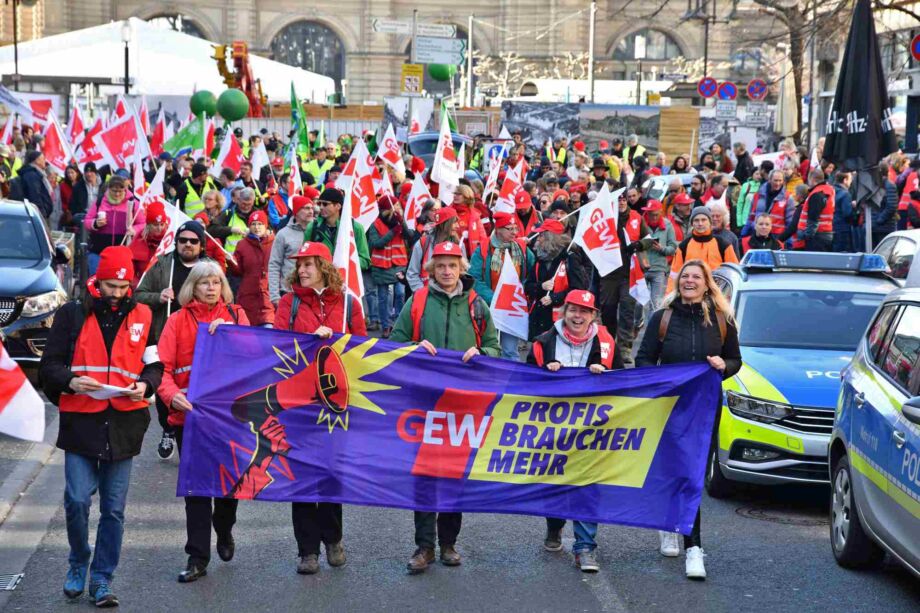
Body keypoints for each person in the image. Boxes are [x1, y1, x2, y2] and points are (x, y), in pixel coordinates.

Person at [39, 246, 163, 607]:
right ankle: (78, 561)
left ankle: (102, 579)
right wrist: (71, 382)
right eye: (110, 286)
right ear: (97, 283)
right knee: (77, 501)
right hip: (82, 422)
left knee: (113, 510)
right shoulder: (72, 315)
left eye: (123, 287)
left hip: (124, 424)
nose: (117, 294)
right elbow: (49, 366)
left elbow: (154, 363)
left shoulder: (143, 314)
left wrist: (147, 384)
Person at [390, 241, 501, 574]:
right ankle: (424, 546)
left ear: (462, 268)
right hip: (424, 403)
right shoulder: (418, 301)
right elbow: (392, 343)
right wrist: (413, 346)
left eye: (453, 265)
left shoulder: (477, 304)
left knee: (455, 476)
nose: (447, 271)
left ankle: (449, 543)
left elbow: (495, 347)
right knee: (425, 476)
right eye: (441, 266)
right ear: (431, 269)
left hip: (464, 405)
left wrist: (482, 355)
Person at [636, 259, 741, 581]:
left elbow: (736, 360)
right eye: (685, 277)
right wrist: (661, 381)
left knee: (693, 473)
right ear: (678, 282)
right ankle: (668, 525)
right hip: (668, 408)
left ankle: (694, 547)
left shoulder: (723, 321)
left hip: (704, 409)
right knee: (670, 470)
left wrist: (723, 364)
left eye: (696, 277)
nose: (689, 281)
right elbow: (643, 359)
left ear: (707, 283)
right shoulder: (662, 318)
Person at [273, 241, 365, 574]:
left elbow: (361, 349)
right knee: (300, 476)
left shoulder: (348, 304)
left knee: (330, 474)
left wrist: (337, 342)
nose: (302, 270)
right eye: (300, 265)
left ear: (324, 267)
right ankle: (307, 550)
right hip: (298, 402)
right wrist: (311, 338)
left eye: (309, 264)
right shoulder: (289, 302)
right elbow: (277, 346)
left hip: (335, 404)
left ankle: (333, 539)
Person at [157, 261, 250, 583]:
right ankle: (197, 556)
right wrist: (171, 396)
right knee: (197, 489)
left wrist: (229, 334)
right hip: (189, 418)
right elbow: (162, 369)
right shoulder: (176, 321)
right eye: (203, 283)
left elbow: (252, 359)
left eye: (216, 282)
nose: (210, 288)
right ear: (192, 287)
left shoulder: (237, 316)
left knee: (228, 486)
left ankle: (224, 528)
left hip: (228, 419)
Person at [528, 290, 623, 572]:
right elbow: (526, 384)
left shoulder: (607, 343)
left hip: (591, 430)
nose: (578, 316)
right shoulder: (543, 342)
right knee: (555, 484)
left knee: (587, 485)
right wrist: (545, 372)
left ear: (593, 315)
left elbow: (622, 384)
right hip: (553, 429)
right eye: (573, 310)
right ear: (563, 312)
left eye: (584, 311)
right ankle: (555, 525)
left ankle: (584, 546)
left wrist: (605, 376)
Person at [136, 221, 212, 461]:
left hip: (200, 339)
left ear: (201, 246)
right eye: (183, 240)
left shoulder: (210, 269)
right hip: (166, 334)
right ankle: (168, 428)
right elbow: (138, 294)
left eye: (193, 241)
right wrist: (158, 297)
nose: (187, 245)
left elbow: (224, 299)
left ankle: (196, 432)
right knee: (164, 385)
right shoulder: (162, 265)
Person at [469, 212, 535, 361]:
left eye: (515, 228)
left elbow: (533, 272)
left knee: (510, 351)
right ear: (498, 229)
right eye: (509, 229)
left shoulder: (522, 249)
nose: (514, 233)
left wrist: (521, 291)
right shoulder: (483, 249)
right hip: (488, 306)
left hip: (511, 308)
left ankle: (510, 382)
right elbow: (474, 278)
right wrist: (494, 298)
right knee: (487, 348)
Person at [598, 192, 649, 366]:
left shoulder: (637, 217)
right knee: (608, 311)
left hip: (630, 273)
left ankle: (625, 348)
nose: (621, 202)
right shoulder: (605, 218)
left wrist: (639, 244)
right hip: (609, 273)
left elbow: (649, 239)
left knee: (627, 310)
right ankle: (610, 343)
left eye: (624, 199)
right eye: (618, 199)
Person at [667, 207, 739, 292]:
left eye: (703, 220)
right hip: (691, 293)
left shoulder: (723, 244)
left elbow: (735, 272)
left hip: (718, 293)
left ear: (710, 222)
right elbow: (675, 274)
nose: (700, 223)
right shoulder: (684, 246)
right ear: (692, 223)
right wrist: (669, 297)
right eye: (696, 220)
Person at [368, 194, 410, 337]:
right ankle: (386, 325)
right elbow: (376, 244)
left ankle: (398, 322)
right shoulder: (375, 224)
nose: (398, 207)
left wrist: (402, 224)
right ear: (387, 209)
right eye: (395, 205)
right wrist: (392, 233)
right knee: (383, 297)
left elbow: (409, 236)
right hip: (381, 266)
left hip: (399, 265)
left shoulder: (399, 221)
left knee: (400, 293)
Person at [84, 176, 145, 274]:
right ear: (108, 189)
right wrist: (95, 223)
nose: (117, 194)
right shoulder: (100, 202)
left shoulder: (133, 203)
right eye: (114, 191)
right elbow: (87, 221)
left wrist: (134, 229)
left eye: (120, 191)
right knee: (96, 280)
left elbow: (143, 223)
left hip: (122, 252)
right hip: (99, 251)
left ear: (125, 189)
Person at [524, 219, 572, 339]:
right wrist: (541, 286)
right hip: (539, 319)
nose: (538, 239)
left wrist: (554, 298)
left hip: (559, 321)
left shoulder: (569, 259)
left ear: (550, 237)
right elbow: (528, 286)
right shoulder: (539, 259)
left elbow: (577, 289)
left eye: (541, 235)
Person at [230, 209, 275, 326]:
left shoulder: (274, 243)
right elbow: (238, 271)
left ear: (265, 226)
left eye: (260, 224)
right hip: (248, 296)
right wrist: (230, 261)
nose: (257, 227)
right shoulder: (242, 244)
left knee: (268, 330)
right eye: (253, 224)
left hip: (268, 296)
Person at [406, 206, 463, 292]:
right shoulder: (423, 243)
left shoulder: (459, 245)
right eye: (454, 222)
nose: (457, 226)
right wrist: (423, 294)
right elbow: (412, 274)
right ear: (445, 225)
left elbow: (463, 273)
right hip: (426, 298)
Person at [268, 195, 312, 305]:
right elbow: (274, 264)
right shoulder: (283, 234)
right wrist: (274, 296)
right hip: (289, 292)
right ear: (296, 211)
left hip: (312, 292)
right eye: (306, 208)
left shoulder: (317, 231)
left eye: (311, 208)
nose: (311, 211)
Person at [641, 200, 678, 315]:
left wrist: (662, 249)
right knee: (638, 303)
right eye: (650, 214)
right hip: (641, 268)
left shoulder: (667, 225)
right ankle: (638, 322)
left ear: (661, 212)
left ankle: (652, 331)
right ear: (646, 213)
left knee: (656, 304)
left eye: (656, 214)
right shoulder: (640, 224)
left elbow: (673, 247)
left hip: (659, 269)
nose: (653, 217)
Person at [795, 168, 835, 252]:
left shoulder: (816, 194)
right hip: (825, 233)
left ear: (812, 179)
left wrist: (807, 236)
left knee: (814, 263)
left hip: (817, 237)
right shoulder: (828, 191)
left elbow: (813, 218)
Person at [128, 200, 168, 282]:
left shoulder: (169, 240)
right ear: (148, 225)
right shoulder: (139, 240)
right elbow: (130, 269)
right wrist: (137, 286)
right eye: (155, 225)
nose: (159, 228)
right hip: (142, 286)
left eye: (162, 224)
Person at [18, 150, 53, 218]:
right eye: (43, 159)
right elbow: (34, 195)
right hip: (36, 214)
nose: (45, 161)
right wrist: (41, 212)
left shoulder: (36, 173)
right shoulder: (31, 175)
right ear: (37, 161)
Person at [831, 171, 855, 252]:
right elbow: (847, 213)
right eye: (850, 179)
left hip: (831, 227)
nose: (851, 182)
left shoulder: (831, 191)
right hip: (843, 229)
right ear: (845, 180)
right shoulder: (845, 194)